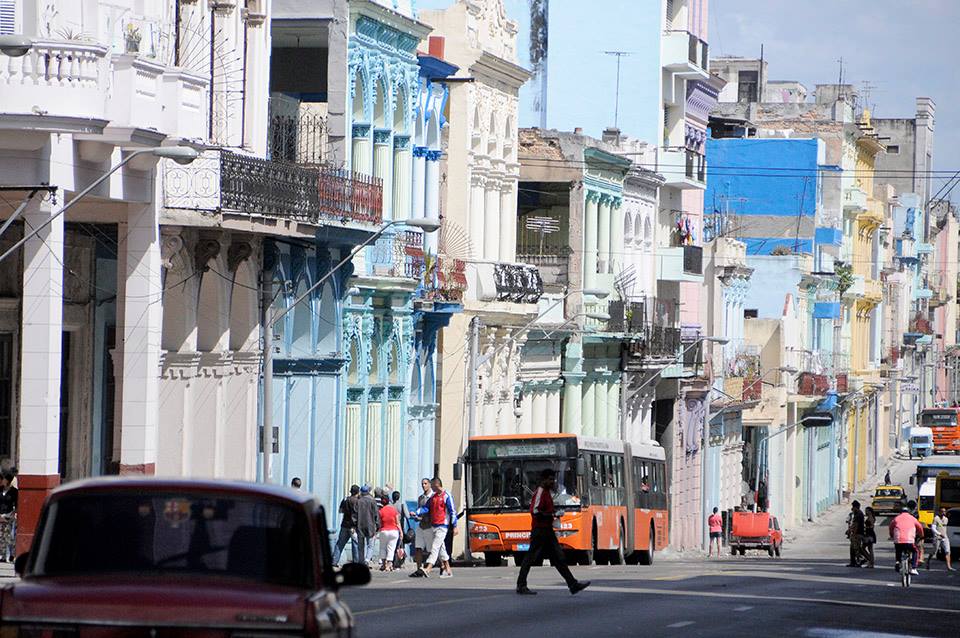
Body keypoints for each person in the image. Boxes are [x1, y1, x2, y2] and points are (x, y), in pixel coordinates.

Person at [516, 469, 591, 596]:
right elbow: (535, 511)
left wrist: (553, 513)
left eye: (553, 479)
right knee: (531, 558)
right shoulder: (540, 492)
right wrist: (551, 514)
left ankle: (572, 584)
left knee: (559, 558)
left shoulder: (546, 492)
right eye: (550, 479)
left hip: (547, 530)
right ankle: (521, 585)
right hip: (540, 530)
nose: (552, 481)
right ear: (544, 480)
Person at [411, 477, 456, 579]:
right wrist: (417, 512)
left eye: (432, 485)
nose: (433, 489)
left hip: (443, 526)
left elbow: (452, 511)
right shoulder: (433, 497)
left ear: (437, 484)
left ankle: (428, 568)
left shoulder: (447, 495)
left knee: (435, 547)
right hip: (434, 526)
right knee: (441, 548)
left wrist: (454, 526)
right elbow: (426, 508)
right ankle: (448, 570)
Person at [889, 503, 923, 576]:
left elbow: (891, 528)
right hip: (909, 541)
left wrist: (892, 535)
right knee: (915, 551)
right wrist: (922, 535)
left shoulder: (896, 518)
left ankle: (897, 562)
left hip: (898, 540)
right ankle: (913, 568)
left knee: (898, 550)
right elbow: (920, 528)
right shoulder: (912, 518)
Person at [332, 485, 360, 566]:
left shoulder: (345, 499)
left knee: (340, 543)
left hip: (344, 524)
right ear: (357, 492)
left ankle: (334, 561)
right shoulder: (357, 501)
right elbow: (358, 514)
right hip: (353, 526)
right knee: (355, 544)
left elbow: (340, 510)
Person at [356, 485, 381, 566]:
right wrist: (378, 525)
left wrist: (354, 524)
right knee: (370, 545)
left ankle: (361, 561)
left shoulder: (358, 501)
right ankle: (367, 560)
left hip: (360, 525)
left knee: (360, 545)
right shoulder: (372, 501)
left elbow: (354, 515)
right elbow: (376, 514)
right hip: (370, 526)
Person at [413, 478, 433, 571]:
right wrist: (416, 516)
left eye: (425, 483)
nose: (423, 485)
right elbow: (419, 510)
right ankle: (419, 568)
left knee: (430, 549)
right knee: (418, 547)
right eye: (422, 484)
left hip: (430, 526)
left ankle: (430, 567)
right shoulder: (420, 498)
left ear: (429, 484)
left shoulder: (433, 497)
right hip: (421, 525)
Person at [378, 496, 401, 572]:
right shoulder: (394, 510)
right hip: (394, 531)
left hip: (384, 531)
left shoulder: (380, 511)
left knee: (382, 548)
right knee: (391, 548)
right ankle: (389, 564)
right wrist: (401, 532)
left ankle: (383, 564)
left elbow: (379, 523)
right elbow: (398, 522)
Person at [929, 507, 956, 571]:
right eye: (942, 511)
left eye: (944, 511)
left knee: (947, 551)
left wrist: (944, 535)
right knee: (934, 552)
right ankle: (928, 561)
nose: (943, 513)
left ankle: (949, 567)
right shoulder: (936, 518)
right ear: (939, 512)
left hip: (945, 537)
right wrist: (939, 534)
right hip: (937, 537)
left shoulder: (946, 519)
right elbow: (933, 528)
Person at [0, 471, 17, 562]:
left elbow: (17, 504)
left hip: (9, 515)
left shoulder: (14, 491)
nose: (3, 481)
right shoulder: (0, 489)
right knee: (2, 536)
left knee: (9, 536)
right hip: (1, 515)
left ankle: (12, 554)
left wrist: (13, 513)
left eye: (4, 479)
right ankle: (2, 556)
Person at [846, 500, 865, 567]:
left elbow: (856, 525)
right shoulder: (859, 513)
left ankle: (860, 559)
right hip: (858, 533)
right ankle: (854, 562)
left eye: (853, 507)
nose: (852, 509)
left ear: (855, 507)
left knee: (855, 548)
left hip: (857, 534)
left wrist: (853, 533)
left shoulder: (858, 514)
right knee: (854, 548)